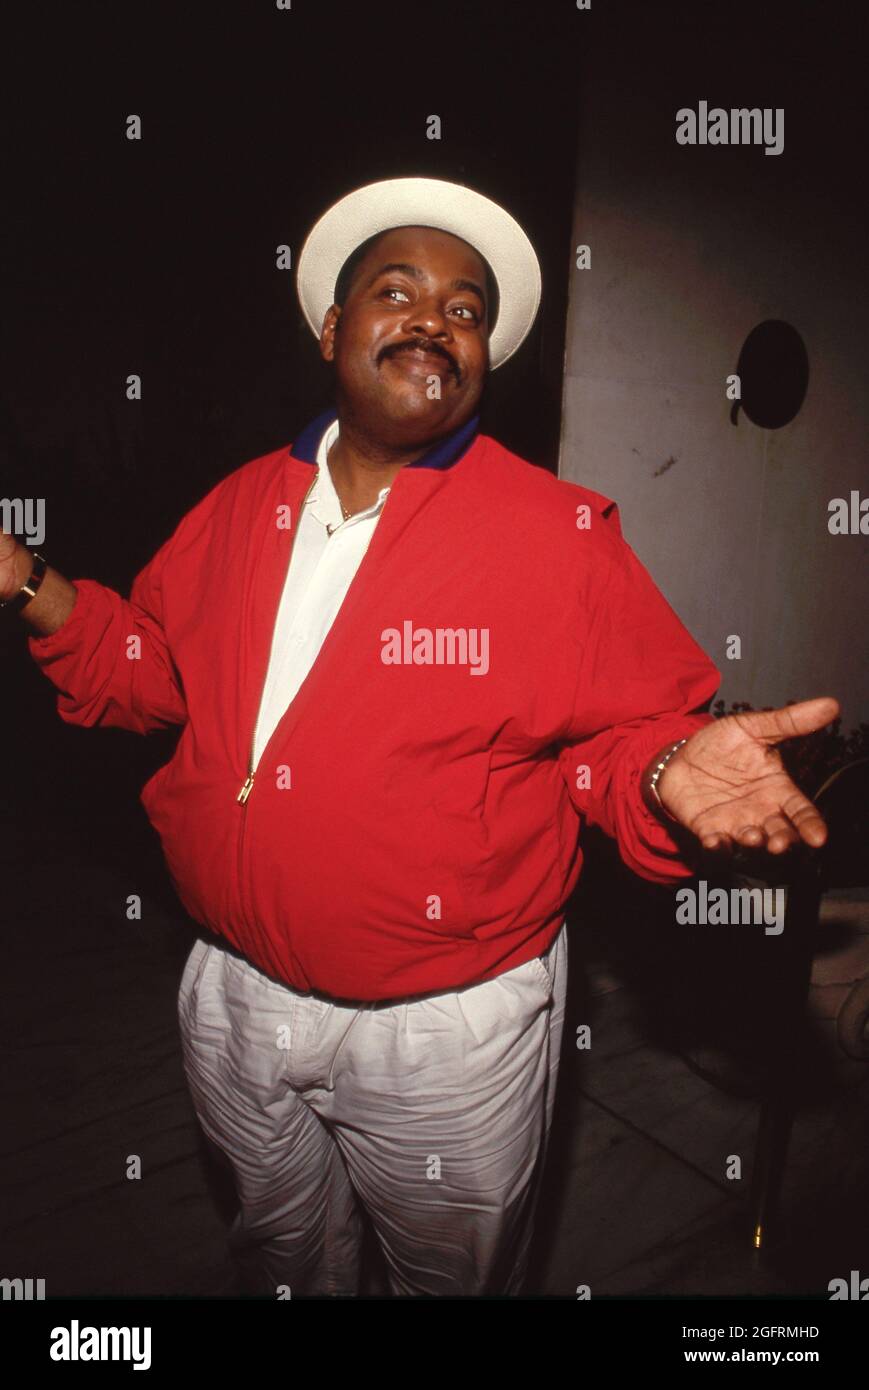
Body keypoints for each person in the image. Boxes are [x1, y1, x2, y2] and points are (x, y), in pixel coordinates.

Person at [1, 176, 839, 1297]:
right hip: (233, 994)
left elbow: (617, 740)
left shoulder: (556, 533)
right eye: (397, 290)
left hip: (444, 1027)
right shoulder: (239, 505)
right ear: (330, 327)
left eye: (463, 308)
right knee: (282, 1257)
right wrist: (30, 583)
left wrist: (659, 764)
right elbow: (153, 676)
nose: (433, 321)